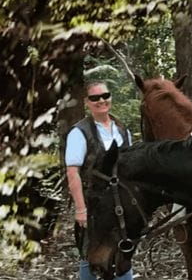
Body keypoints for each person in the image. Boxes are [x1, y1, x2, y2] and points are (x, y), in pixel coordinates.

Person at [65, 80, 134, 280]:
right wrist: (80, 209)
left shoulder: (122, 129)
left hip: (119, 203)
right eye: (95, 98)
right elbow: (72, 172)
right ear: (87, 102)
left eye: (105, 96)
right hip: (93, 203)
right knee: (91, 252)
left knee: (123, 249)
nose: (101, 101)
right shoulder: (80, 133)